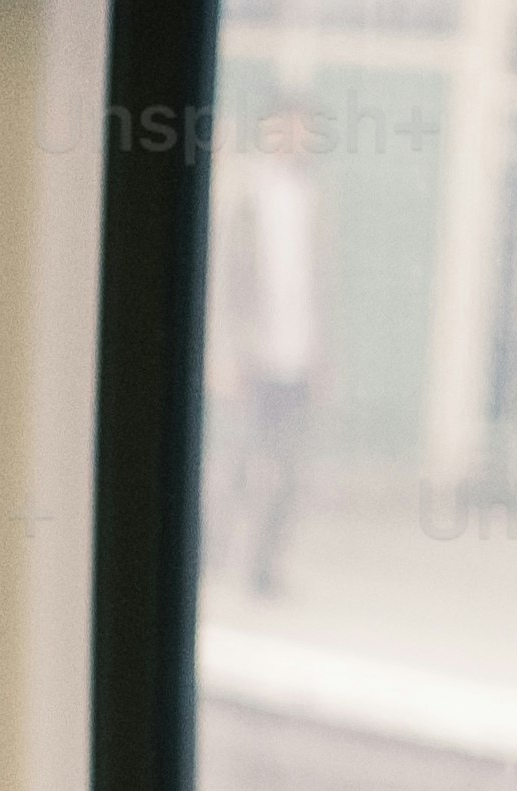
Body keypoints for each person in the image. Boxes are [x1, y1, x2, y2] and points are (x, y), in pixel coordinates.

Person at [217, 97, 322, 596]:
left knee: (290, 470)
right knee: (238, 463)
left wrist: (323, 356)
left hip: (298, 357)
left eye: (301, 131)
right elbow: (230, 280)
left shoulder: (314, 197)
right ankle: (210, 555)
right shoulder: (248, 194)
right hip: (254, 357)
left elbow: (322, 283)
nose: (293, 140)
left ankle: (265, 568)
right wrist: (233, 353)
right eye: (285, 129)